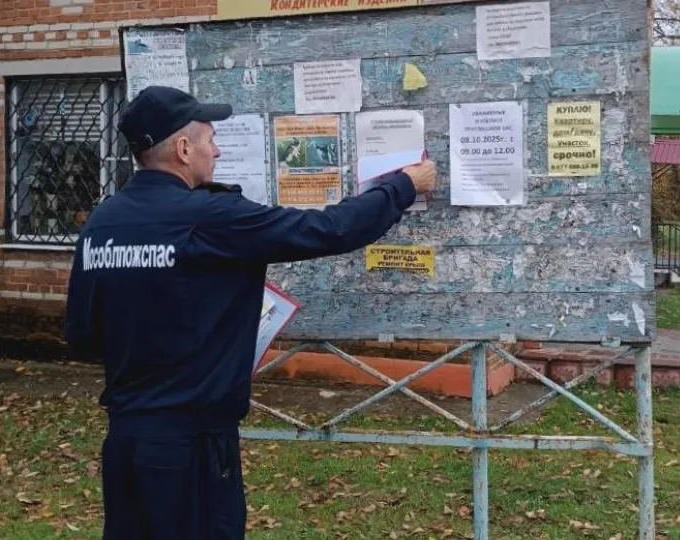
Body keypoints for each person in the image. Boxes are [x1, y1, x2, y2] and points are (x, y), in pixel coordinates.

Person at [63, 85, 436, 540]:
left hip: (126, 444)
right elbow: (327, 229)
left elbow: (81, 334)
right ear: (183, 149)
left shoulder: (103, 223)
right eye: (209, 139)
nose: (216, 151)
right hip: (192, 448)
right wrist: (402, 187)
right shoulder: (209, 217)